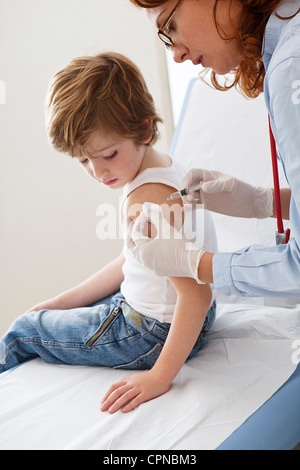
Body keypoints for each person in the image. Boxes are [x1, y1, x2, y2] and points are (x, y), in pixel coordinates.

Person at [0, 52, 217, 413]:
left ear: (144, 129)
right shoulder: (166, 167)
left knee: (23, 329)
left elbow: (196, 293)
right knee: (53, 312)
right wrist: (62, 301)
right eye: (83, 160)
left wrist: (159, 376)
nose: (98, 172)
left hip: (152, 333)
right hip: (185, 322)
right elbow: (130, 261)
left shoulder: (145, 200)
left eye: (108, 155)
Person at [128, 0, 300, 299]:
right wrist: (261, 202)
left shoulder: (290, 69)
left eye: (170, 26)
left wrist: (198, 264)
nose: (177, 54)